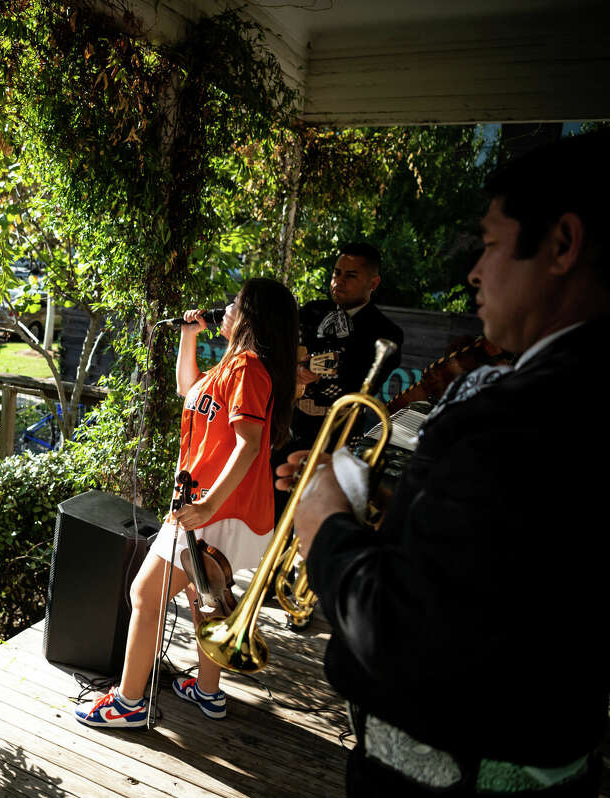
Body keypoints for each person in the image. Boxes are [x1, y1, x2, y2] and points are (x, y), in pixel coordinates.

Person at [280, 131, 610, 797]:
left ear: (562, 244)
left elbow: (405, 634)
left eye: (489, 244)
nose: (474, 273)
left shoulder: (524, 413)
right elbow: (499, 573)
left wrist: (324, 525)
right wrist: (373, 503)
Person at [74, 277, 298, 730]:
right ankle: (208, 691)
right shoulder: (231, 366)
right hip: (214, 508)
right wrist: (188, 335)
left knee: (145, 594)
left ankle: (129, 703)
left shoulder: (249, 368)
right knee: (205, 599)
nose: (225, 310)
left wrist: (209, 505)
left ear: (251, 316)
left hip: (217, 510)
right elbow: (187, 388)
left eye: (234, 304)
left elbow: (249, 444)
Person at [291, 243, 404, 446]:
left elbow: (364, 385)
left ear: (374, 283)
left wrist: (316, 379)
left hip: (341, 435)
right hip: (290, 427)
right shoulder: (311, 311)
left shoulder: (386, 332)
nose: (339, 281)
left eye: (351, 276)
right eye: (337, 273)